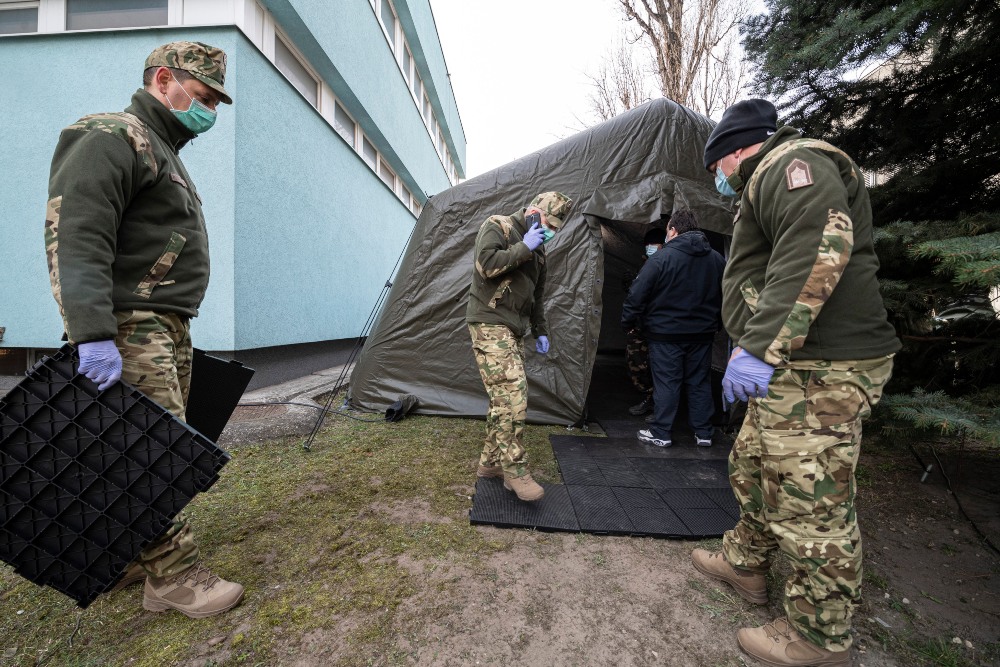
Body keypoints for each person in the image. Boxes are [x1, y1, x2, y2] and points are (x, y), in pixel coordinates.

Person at [692, 99, 900, 666]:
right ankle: (746, 564)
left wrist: (759, 346)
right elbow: (769, 266)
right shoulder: (770, 178)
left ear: (734, 152)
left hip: (822, 367)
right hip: (794, 363)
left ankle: (819, 637)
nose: (719, 178)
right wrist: (749, 339)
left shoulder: (792, 163)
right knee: (755, 463)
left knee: (810, 498)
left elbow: (816, 250)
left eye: (717, 166)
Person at [44, 41, 244, 618]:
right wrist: (91, 332)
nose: (208, 112)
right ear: (164, 80)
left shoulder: (161, 149)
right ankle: (173, 579)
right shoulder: (110, 135)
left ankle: (135, 554)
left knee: (145, 449)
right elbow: (76, 234)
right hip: (130, 326)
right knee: (152, 453)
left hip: (163, 323)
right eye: (202, 97)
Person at [467, 192, 573, 502]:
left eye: (556, 227)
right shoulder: (498, 226)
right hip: (489, 320)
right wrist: (523, 247)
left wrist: (540, 330)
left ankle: (490, 465)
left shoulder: (540, 251)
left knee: (503, 397)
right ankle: (514, 470)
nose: (550, 230)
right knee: (514, 394)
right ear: (533, 212)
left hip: (514, 329)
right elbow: (486, 265)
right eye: (548, 222)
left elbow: (537, 298)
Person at [621, 210, 724, 448]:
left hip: (665, 335)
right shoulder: (717, 259)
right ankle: (704, 433)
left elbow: (637, 294)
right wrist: (716, 324)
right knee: (699, 382)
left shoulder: (660, 259)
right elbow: (725, 296)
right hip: (702, 334)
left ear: (673, 230)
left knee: (667, 382)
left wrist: (628, 322)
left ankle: (661, 432)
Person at [624, 226, 667, 417]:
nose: (650, 248)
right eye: (647, 246)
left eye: (654, 245)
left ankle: (659, 406)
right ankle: (650, 398)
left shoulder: (668, 262)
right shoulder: (647, 264)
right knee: (637, 364)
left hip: (661, 327)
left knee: (660, 368)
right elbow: (637, 295)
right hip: (642, 326)